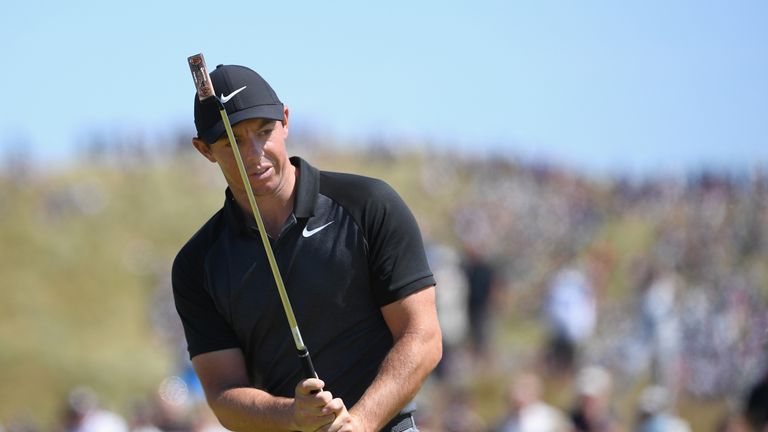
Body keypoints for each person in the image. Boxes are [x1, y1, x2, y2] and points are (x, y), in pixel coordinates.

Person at [172, 63, 442, 432]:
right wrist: (293, 415)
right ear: (204, 150)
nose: (254, 154)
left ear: (285, 119)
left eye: (264, 132)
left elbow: (422, 337)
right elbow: (223, 393)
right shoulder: (198, 263)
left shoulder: (369, 205)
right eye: (231, 141)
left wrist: (361, 423)